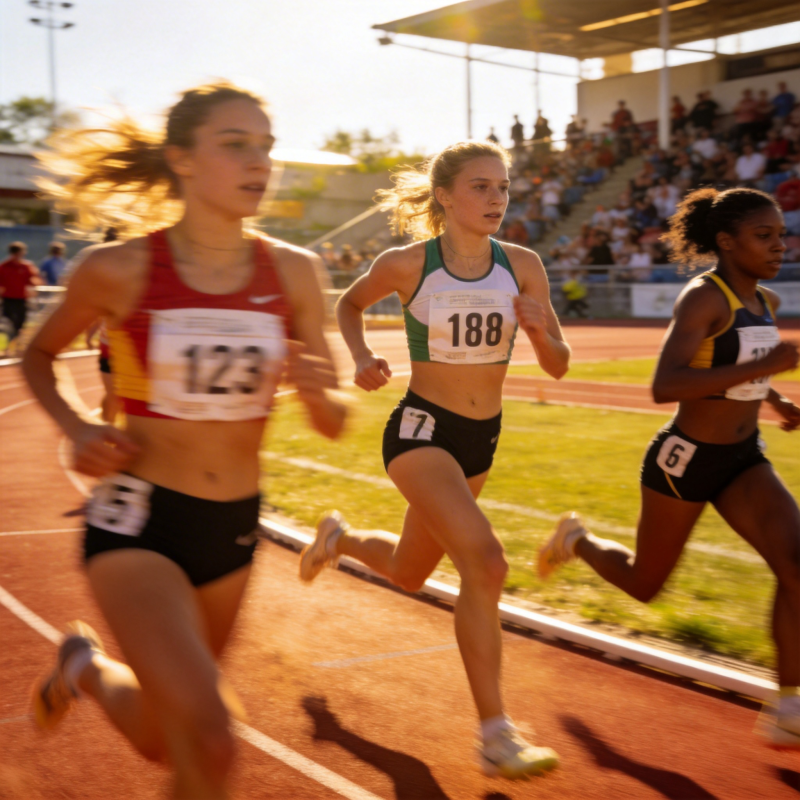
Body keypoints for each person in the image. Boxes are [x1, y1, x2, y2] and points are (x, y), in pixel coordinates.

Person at [22, 81, 346, 800]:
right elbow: (40, 356)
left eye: (265, 147)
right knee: (211, 737)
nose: (259, 162)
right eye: (236, 145)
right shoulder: (119, 269)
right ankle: (89, 666)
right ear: (183, 160)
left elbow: (333, 421)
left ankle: (83, 668)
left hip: (231, 525)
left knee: (166, 741)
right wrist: (78, 428)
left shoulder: (295, 272)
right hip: (138, 518)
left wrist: (326, 394)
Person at [300, 140, 569, 778]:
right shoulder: (407, 264)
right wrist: (362, 358)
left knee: (409, 572)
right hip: (422, 432)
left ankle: (337, 539)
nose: (496, 199)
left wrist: (538, 329)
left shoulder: (524, 264)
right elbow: (349, 303)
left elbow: (559, 366)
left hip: (482, 441)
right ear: (445, 195)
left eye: (503, 188)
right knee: (486, 561)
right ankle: (496, 735)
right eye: (481, 186)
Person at [538, 187, 800, 749]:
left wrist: (774, 398)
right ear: (726, 242)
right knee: (645, 585)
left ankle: (789, 704)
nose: (780, 245)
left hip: (743, 458)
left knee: (797, 564)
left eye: (782, 234)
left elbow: (739, 364)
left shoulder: (766, 302)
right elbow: (666, 384)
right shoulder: (703, 299)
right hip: (685, 460)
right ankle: (577, 539)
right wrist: (772, 363)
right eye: (765, 236)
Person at [0, 241, 41, 355]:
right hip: (7, 300)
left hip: (21, 300)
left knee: (20, 323)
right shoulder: (4, 266)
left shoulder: (26, 266)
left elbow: (34, 281)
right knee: (9, 324)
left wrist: (35, 285)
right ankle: (9, 346)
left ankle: (16, 346)